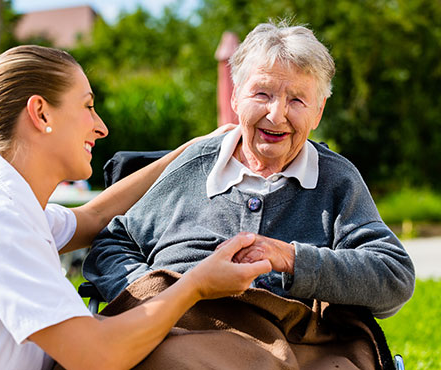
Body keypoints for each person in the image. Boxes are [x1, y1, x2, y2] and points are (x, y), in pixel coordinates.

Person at [0, 45, 271, 370]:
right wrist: (197, 284)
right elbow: (97, 356)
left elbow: (94, 217)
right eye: (88, 106)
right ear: (41, 113)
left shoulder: (4, 204)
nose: (101, 126)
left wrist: (194, 149)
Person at [83, 21, 415, 319]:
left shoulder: (336, 181)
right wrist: (153, 298)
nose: (276, 114)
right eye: (262, 94)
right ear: (237, 98)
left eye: (297, 100)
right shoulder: (194, 166)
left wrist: (291, 258)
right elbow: (113, 243)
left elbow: (393, 276)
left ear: (318, 112)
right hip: (176, 342)